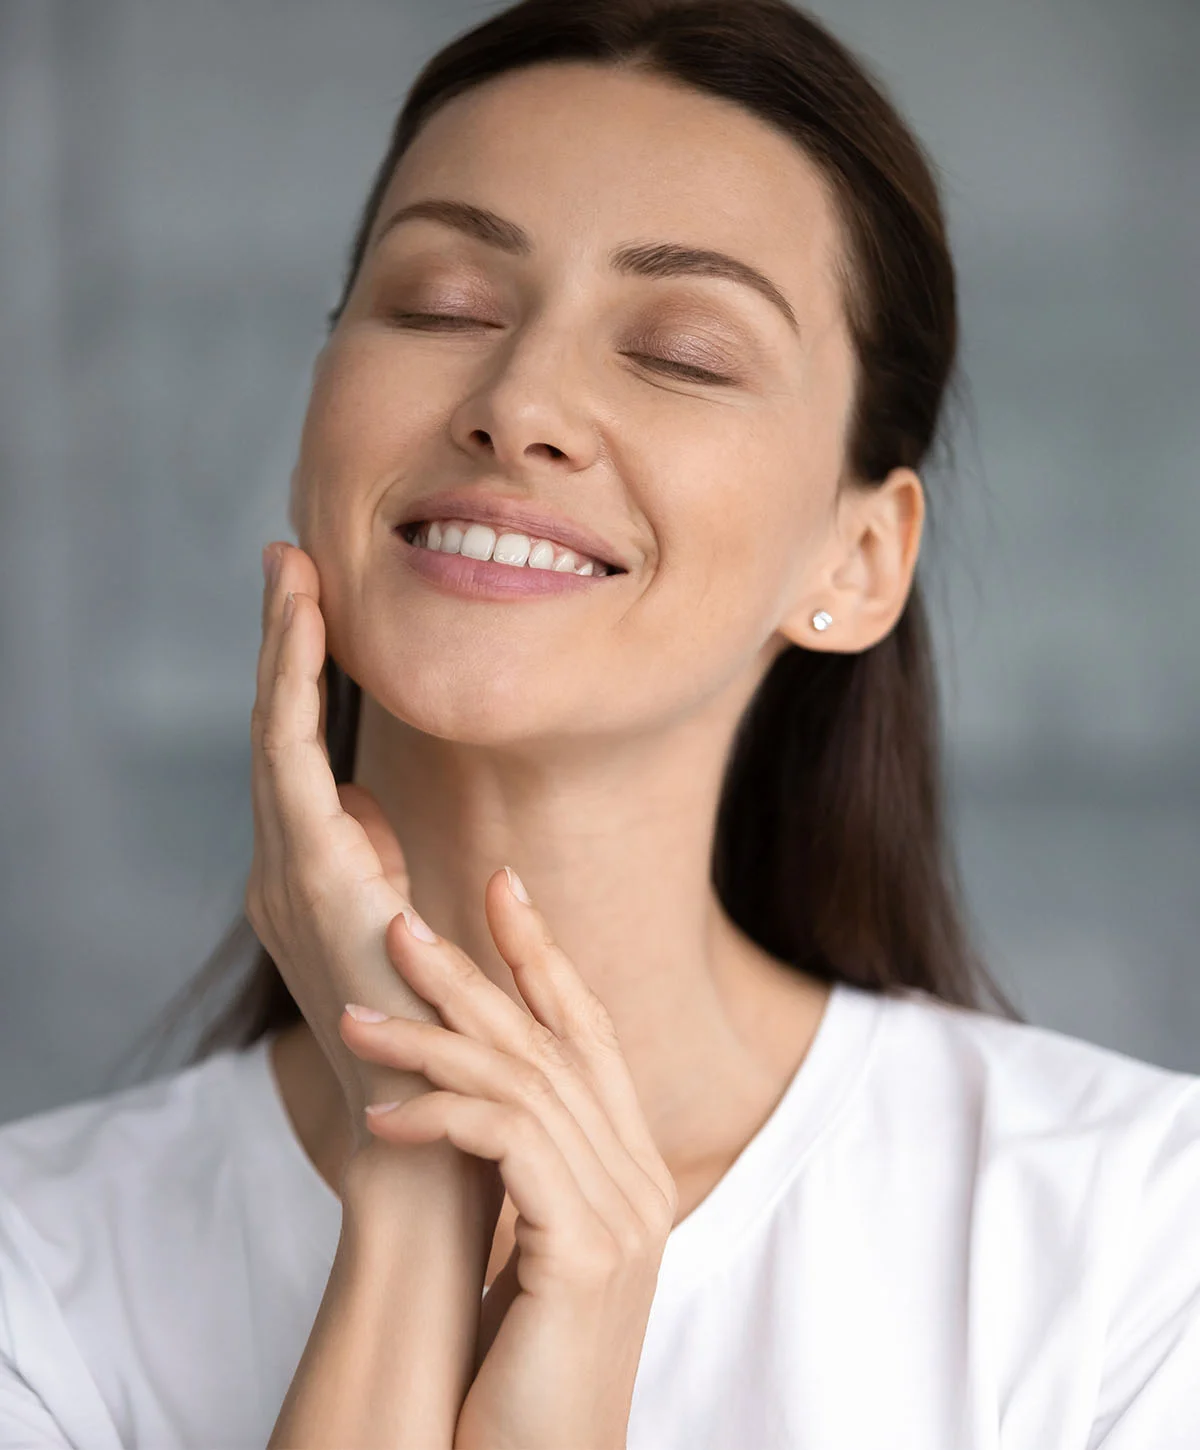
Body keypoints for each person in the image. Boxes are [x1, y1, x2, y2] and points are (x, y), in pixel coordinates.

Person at [2, 0, 1198, 1445]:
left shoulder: (1138, 1250)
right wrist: (410, 1206)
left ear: (859, 559)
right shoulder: (38, 1273)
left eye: (683, 351)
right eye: (442, 305)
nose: (520, 403)